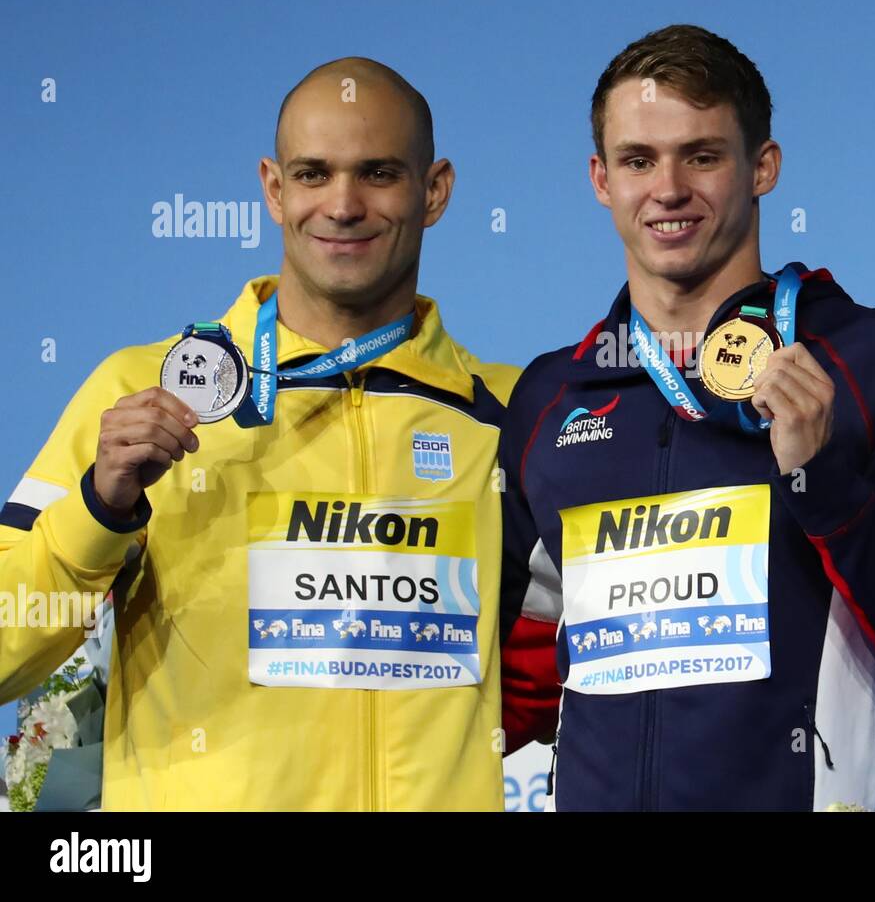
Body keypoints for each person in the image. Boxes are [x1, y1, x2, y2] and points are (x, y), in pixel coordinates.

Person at [0, 58, 519, 809]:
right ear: (274, 189)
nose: (342, 205)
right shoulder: (144, 393)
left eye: (377, 173)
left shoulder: (503, 412)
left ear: (434, 190)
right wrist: (98, 509)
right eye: (313, 175)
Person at [499, 25, 875, 811]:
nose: (668, 188)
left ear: (763, 168)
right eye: (638, 160)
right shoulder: (550, 397)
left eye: (702, 156)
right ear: (601, 179)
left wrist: (826, 486)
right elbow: (495, 675)